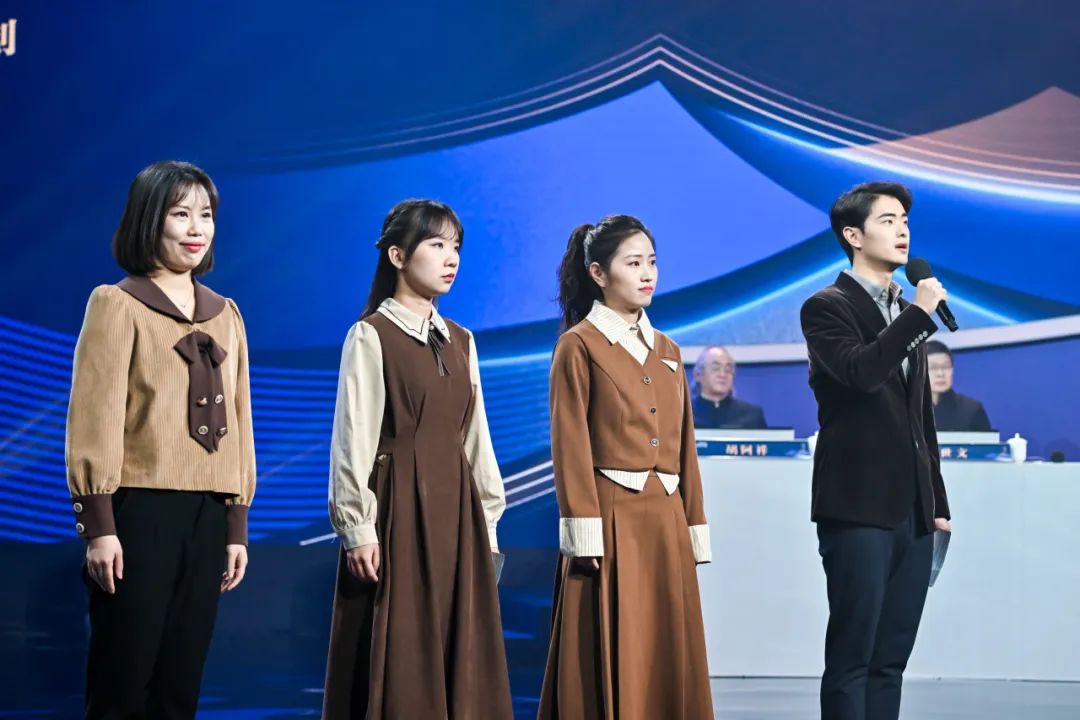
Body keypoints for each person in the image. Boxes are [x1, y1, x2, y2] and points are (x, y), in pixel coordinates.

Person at [67, 160, 256, 719]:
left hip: (208, 514)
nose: (197, 229)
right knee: (123, 679)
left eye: (206, 215)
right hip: (139, 511)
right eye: (180, 214)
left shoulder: (226, 316)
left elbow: (241, 422)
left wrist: (236, 524)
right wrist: (100, 527)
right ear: (150, 220)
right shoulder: (117, 304)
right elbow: (94, 417)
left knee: (180, 682)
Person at [322, 199, 513, 719]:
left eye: (456, 247)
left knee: (462, 654)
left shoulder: (462, 341)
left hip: (458, 516)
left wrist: (488, 524)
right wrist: (358, 529)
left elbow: (476, 439)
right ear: (398, 255)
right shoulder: (372, 335)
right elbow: (353, 439)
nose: (451, 258)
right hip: (399, 509)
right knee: (404, 651)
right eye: (436, 245)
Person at [537, 214, 713, 719]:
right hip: (614, 521)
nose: (647, 273)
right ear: (598, 273)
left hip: (666, 522)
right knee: (616, 648)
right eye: (633, 263)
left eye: (651, 262)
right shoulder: (578, 345)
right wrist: (584, 530)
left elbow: (685, 448)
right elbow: (570, 444)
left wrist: (694, 523)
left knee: (667, 650)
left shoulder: (669, 351)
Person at [800, 181, 952, 720]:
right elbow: (861, 373)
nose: (902, 230)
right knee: (853, 658)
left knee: (891, 663)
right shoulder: (826, 307)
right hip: (857, 505)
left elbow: (920, 420)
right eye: (888, 220)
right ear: (853, 235)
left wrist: (937, 504)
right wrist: (919, 315)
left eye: (905, 220)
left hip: (913, 512)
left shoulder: (905, 310)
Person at [691, 345, 768, 429]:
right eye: (715, 368)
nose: (722, 374)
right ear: (698, 375)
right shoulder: (683, 413)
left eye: (728, 369)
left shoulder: (752, 416)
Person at [925, 340, 992, 431]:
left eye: (946, 367)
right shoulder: (909, 410)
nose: (940, 374)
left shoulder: (972, 409)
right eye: (933, 367)